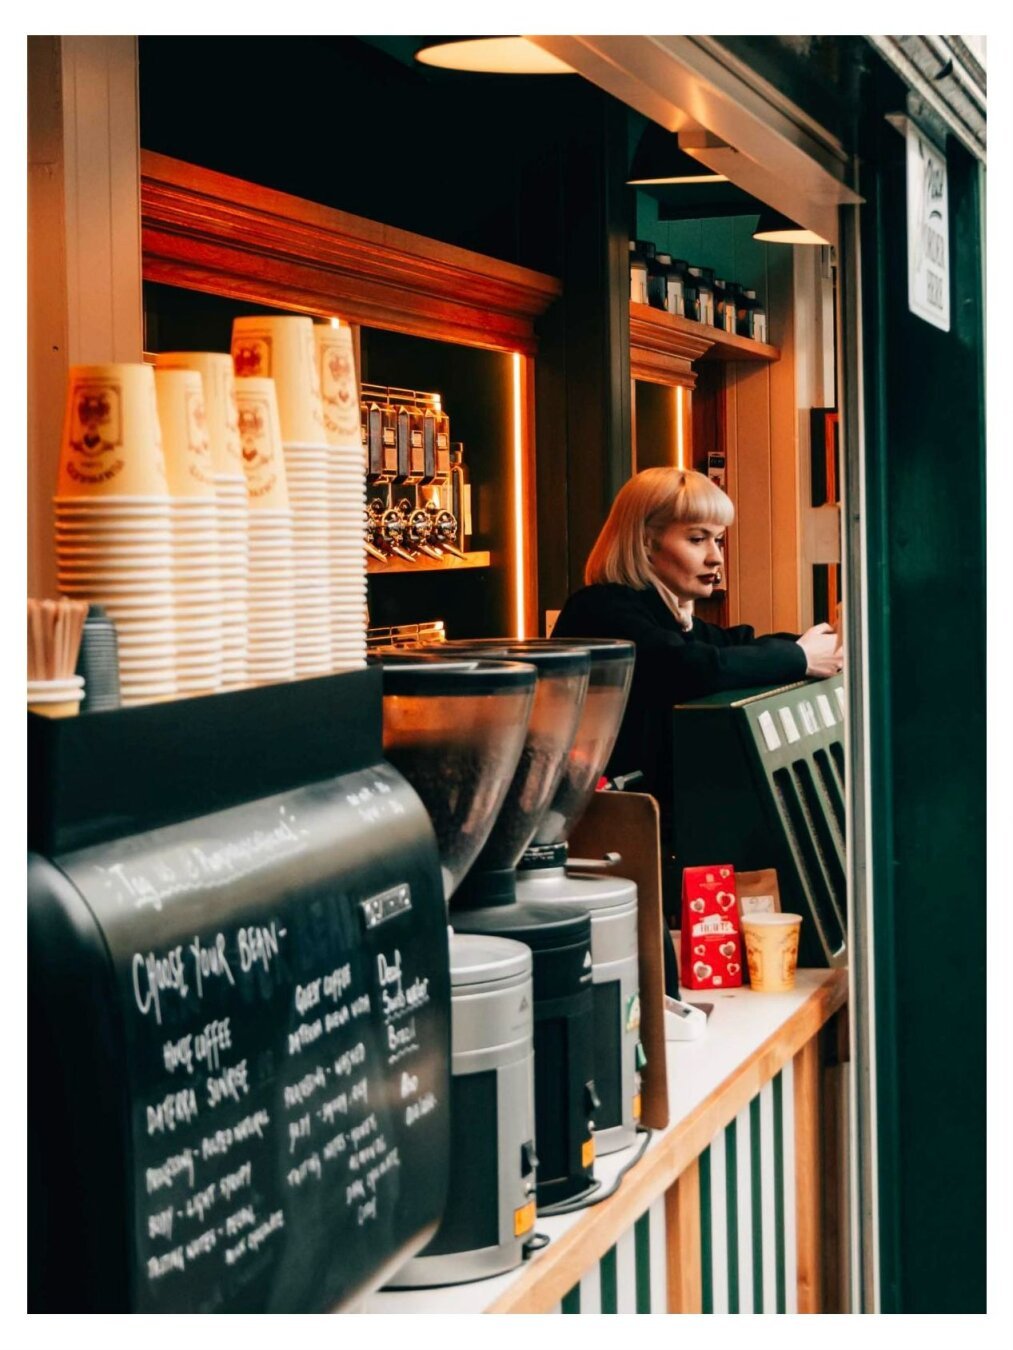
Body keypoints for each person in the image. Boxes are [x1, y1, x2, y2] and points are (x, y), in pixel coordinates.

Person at [553, 467, 842, 988]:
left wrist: (809, 644)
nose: (716, 556)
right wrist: (799, 658)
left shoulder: (665, 613)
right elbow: (694, 668)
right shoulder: (603, 608)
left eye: (719, 540)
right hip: (608, 831)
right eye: (697, 539)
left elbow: (732, 644)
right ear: (644, 543)